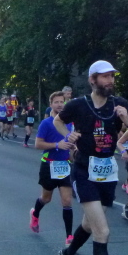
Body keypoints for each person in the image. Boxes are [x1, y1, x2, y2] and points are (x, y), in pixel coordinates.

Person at [53, 60, 128, 255]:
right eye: (105, 77)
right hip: (84, 170)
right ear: (92, 80)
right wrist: (68, 136)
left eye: (112, 76)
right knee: (102, 231)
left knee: (88, 223)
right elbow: (58, 120)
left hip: (108, 172)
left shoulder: (120, 105)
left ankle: (67, 254)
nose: (110, 81)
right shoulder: (78, 104)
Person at [30, 91, 74, 244]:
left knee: (67, 201)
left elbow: (72, 144)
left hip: (65, 165)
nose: (60, 105)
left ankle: (69, 236)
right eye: (56, 102)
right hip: (49, 165)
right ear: (51, 105)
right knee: (46, 198)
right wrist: (57, 145)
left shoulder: (70, 123)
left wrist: (74, 152)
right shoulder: (46, 123)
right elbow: (37, 144)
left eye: (62, 102)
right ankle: (35, 213)